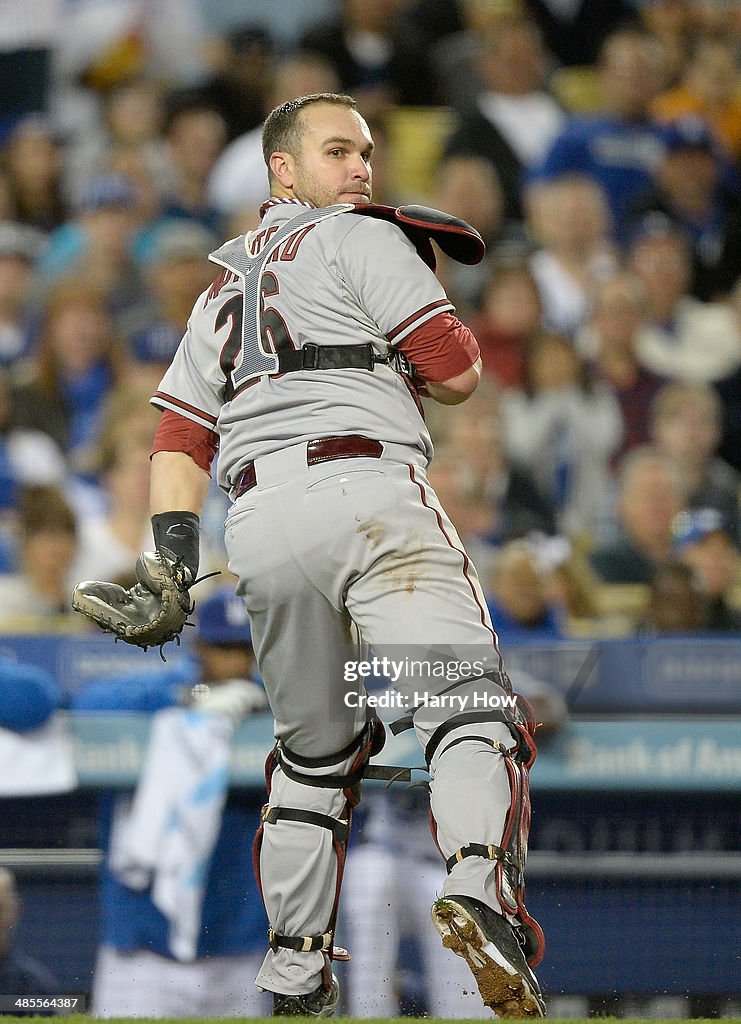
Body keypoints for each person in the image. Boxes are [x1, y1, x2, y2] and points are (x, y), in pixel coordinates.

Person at [76, 92, 547, 1017]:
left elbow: (177, 437)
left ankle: (295, 968)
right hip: (368, 495)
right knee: (465, 702)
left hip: (259, 524)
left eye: (366, 151)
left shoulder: (218, 288)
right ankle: (476, 887)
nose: (361, 167)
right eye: (338, 151)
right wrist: (407, 301)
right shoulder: (365, 237)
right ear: (281, 170)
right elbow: (456, 374)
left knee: (312, 754)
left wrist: (174, 559)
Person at [70, 588, 271, 1018]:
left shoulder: (275, 705)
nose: (234, 662)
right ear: (199, 646)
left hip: (237, 948)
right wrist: (192, 703)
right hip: (143, 951)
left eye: (243, 649)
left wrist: (261, 713)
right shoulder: (155, 692)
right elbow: (86, 706)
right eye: (223, 647)